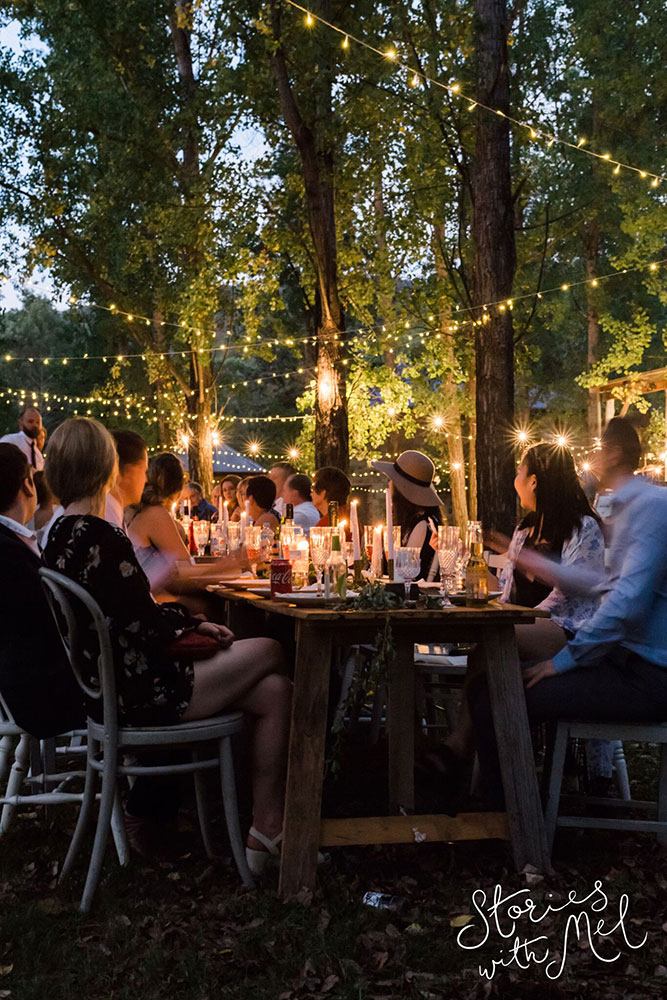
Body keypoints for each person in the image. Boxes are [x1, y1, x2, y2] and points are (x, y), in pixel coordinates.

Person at [43, 418, 292, 873]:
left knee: (275, 690)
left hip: (106, 688)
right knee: (273, 648)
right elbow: (144, 626)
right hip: (145, 691)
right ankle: (264, 829)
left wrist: (186, 621)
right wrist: (190, 626)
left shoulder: (58, 535)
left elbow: (128, 614)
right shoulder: (104, 537)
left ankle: (265, 833)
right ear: (105, 467)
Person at [469, 418, 667, 809]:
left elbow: (626, 603)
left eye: (597, 449)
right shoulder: (630, 509)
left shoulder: (650, 508)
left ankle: (510, 813)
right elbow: (600, 588)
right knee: (490, 688)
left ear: (613, 453)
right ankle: (509, 803)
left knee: (496, 694)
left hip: (648, 675)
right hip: (622, 662)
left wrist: (567, 660)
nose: (590, 459)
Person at [431, 442, 606, 789]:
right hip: (523, 627)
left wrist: (525, 606)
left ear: (535, 481)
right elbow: (504, 592)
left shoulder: (582, 528)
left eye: (519, 472)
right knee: (488, 647)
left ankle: (460, 752)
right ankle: (490, 768)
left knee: (493, 641)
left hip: (569, 632)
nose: (515, 480)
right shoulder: (525, 529)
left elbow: (574, 588)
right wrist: (467, 559)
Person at [0, 443, 83, 737]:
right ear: (27, 484)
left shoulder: (12, 543)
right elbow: (51, 624)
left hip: (15, 689)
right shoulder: (9, 552)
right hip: (43, 696)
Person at [125, 452, 246, 605]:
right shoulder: (155, 514)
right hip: (146, 604)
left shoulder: (140, 511)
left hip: (145, 596)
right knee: (209, 606)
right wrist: (229, 564)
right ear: (179, 487)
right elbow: (185, 571)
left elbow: (175, 575)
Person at [371, 450, 443, 580]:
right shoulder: (413, 521)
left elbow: (405, 574)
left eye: (391, 479)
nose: (389, 484)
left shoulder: (423, 524)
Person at [106, 429, 148, 529]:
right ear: (130, 472)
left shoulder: (113, 511)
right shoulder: (107, 519)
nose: (146, 480)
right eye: (144, 471)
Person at [1, 405, 45, 470]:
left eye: (38, 422)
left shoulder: (38, 455)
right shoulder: (10, 440)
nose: (35, 425)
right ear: (21, 423)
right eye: (30, 421)